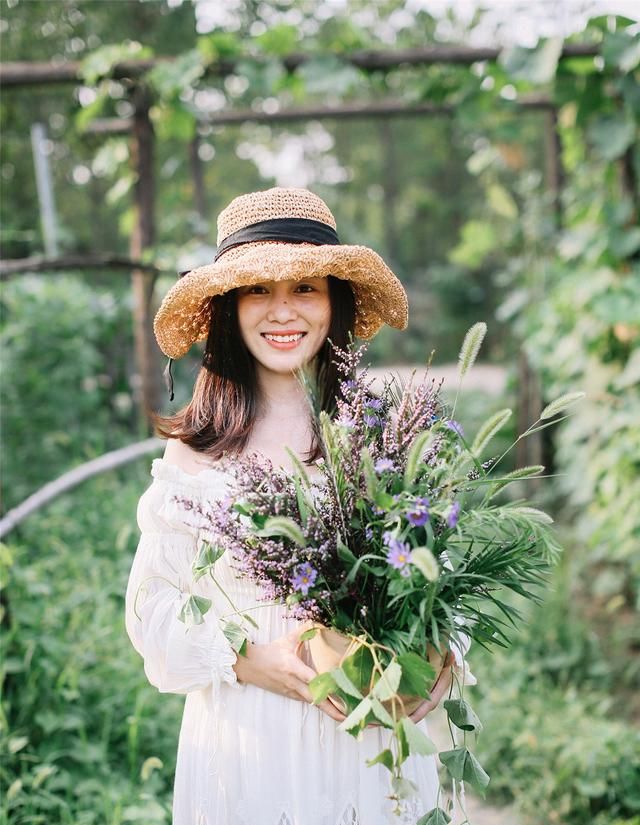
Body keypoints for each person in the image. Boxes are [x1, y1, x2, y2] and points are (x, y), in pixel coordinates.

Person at [125, 187, 467, 825]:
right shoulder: (196, 456)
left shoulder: (384, 435)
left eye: (305, 288)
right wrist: (248, 660)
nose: (282, 311)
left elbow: (438, 580)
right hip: (254, 745)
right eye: (258, 290)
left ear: (334, 302)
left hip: (371, 745)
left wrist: (443, 657)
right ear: (229, 307)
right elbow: (153, 615)